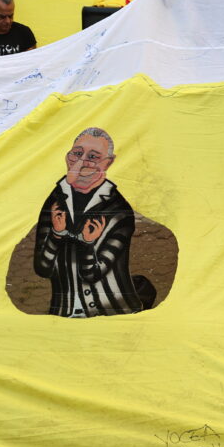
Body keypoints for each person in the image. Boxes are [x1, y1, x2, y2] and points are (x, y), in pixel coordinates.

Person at [33, 127, 144, 317]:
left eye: (93, 156)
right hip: (63, 312)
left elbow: (92, 274)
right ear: (68, 156)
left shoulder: (118, 210)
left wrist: (87, 243)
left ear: (108, 163)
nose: (82, 161)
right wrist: (56, 235)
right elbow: (42, 268)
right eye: (77, 153)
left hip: (112, 313)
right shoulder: (54, 201)